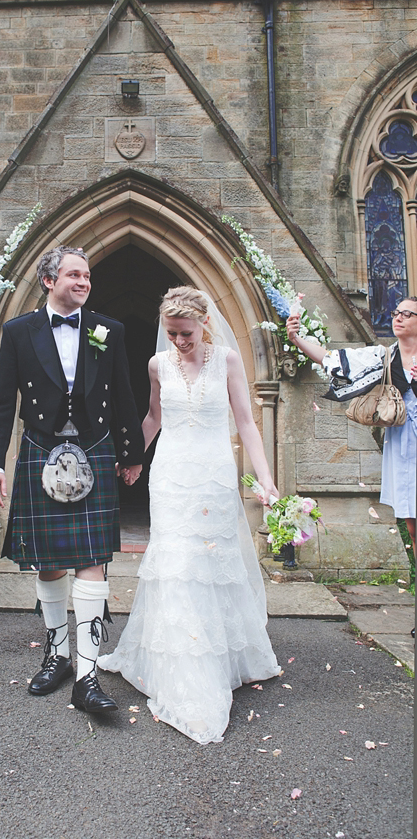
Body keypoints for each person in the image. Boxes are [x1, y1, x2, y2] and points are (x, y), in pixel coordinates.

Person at [98, 286, 281, 744]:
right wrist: (129, 455)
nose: (179, 342)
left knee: (213, 566)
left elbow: (245, 422)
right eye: (172, 333)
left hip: (215, 477)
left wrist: (266, 478)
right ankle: (183, 667)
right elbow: (154, 416)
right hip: (172, 477)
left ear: (203, 324)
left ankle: (220, 656)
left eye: (186, 333)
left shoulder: (228, 362)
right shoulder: (157, 365)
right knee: (178, 567)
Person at [0, 246, 144, 713]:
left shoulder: (107, 330)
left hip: (95, 448)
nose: (84, 281)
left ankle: (88, 674)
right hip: (39, 448)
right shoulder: (18, 332)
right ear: (49, 281)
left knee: (92, 559)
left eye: (88, 276)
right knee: (48, 562)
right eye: (74, 274)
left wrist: (132, 452)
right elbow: (0, 402)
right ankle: (57, 657)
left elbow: (124, 393)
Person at [286, 297, 417, 557]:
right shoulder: (384, 357)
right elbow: (334, 360)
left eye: (407, 314)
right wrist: (297, 340)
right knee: (413, 527)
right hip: (404, 446)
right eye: (395, 312)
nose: (398, 318)